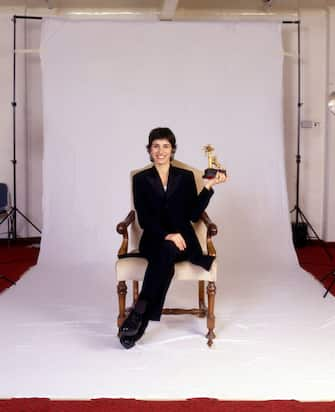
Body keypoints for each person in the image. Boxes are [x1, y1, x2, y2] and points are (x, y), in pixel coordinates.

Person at [119, 127, 226, 349]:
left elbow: (193, 214)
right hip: (154, 239)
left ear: (173, 149)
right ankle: (143, 318)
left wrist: (208, 187)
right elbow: (144, 218)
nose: (160, 151)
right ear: (149, 149)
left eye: (165, 146)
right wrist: (168, 235)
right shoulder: (140, 179)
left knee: (167, 252)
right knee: (165, 254)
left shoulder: (185, 177)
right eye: (156, 146)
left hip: (185, 241)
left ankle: (139, 314)